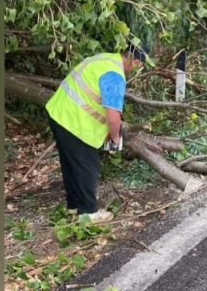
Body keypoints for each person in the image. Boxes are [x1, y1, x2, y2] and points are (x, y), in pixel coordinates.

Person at [45, 44, 150, 224]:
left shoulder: (105, 58)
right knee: (88, 166)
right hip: (74, 121)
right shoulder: (115, 77)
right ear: (136, 61)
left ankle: (74, 206)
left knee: (71, 163)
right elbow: (113, 118)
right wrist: (115, 138)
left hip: (58, 111)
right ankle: (88, 214)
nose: (138, 69)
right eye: (140, 65)